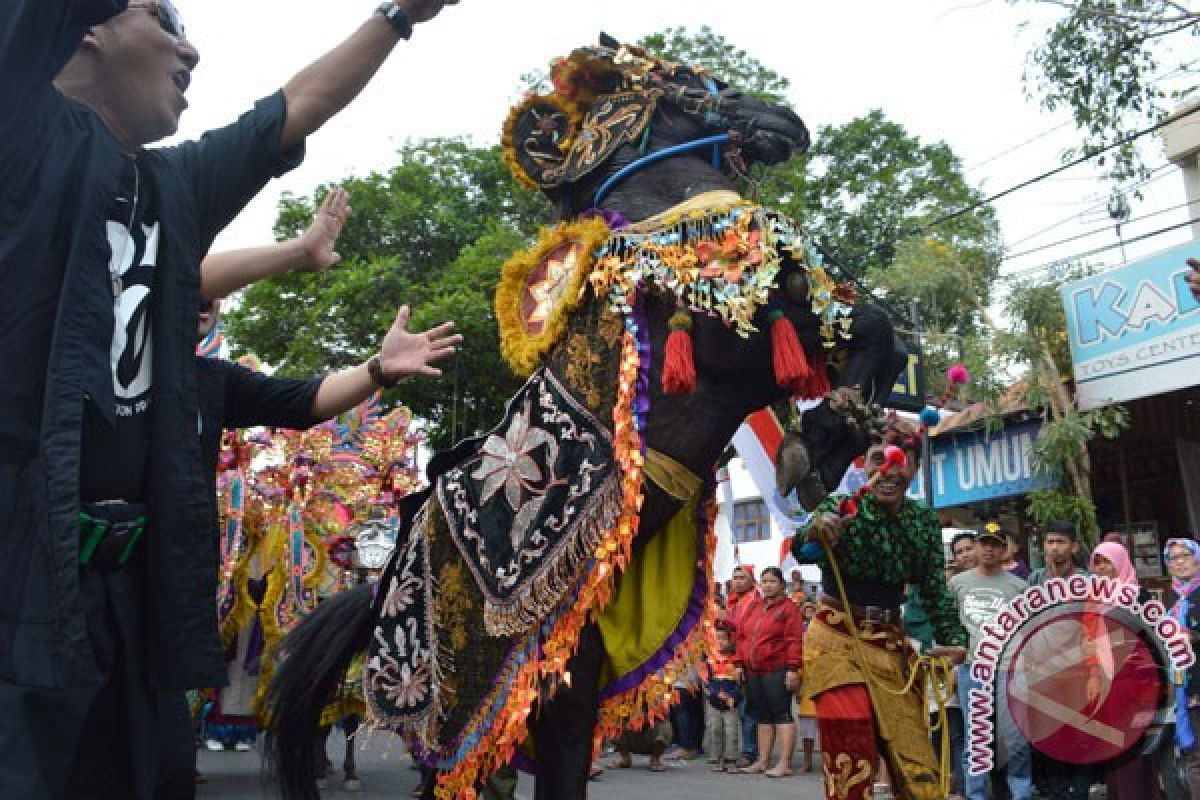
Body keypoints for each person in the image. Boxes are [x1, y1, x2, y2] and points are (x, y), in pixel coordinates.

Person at [0, 1, 461, 796]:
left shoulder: (176, 185)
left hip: (137, 586)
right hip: (22, 570)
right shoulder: (20, 137)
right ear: (88, 26)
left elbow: (295, 106)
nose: (191, 49)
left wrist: (399, 14)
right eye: (161, 17)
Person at [793, 416, 968, 800]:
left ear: (915, 468)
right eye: (878, 460)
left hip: (890, 646)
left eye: (900, 461)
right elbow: (804, 546)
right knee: (852, 751)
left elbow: (935, 589)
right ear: (865, 465)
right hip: (837, 640)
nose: (889, 472)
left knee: (918, 768)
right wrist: (819, 533)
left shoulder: (922, 520)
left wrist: (954, 639)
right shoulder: (841, 508)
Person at [949, 527, 1032, 800]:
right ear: (976, 546)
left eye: (995, 545)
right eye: (983, 543)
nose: (989, 550)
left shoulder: (1019, 587)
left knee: (1017, 740)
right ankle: (976, 795)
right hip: (972, 669)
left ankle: (1020, 794)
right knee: (977, 741)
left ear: (1004, 549)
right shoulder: (958, 583)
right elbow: (947, 624)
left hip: (1011, 670)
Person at [1086, 542, 1163, 800]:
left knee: (1135, 743)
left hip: (1136, 679)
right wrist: (1095, 676)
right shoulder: (1093, 598)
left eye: (1107, 562)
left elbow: (1154, 639)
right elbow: (1088, 641)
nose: (1102, 568)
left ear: (1120, 562)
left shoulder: (1138, 596)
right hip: (1108, 681)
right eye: (1098, 563)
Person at [1026, 520, 1093, 800]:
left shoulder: (1087, 581)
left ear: (1073, 547)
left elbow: (1097, 626)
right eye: (1050, 542)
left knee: (1080, 738)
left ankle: (1079, 793)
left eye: (1061, 542)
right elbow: (1025, 623)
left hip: (1077, 672)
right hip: (1042, 673)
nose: (1054, 548)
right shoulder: (1035, 581)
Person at [732, 566, 804, 777]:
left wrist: (793, 668)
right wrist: (738, 663)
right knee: (762, 715)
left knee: (781, 714)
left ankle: (784, 763)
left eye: (772, 581)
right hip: (754, 669)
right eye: (764, 582)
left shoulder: (789, 609)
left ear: (782, 584)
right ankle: (762, 761)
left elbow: (794, 640)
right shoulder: (755, 606)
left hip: (778, 668)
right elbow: (742, 636)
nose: (768, 585)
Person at [1162, 538, 1200, 800]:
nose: (1179, 561)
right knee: (1193, 753)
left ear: (1197, 559)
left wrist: (1192, 635)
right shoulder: (1170, 598)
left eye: (1185, 555)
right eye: (1173, 558)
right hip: (1184, 686)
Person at [727, 564, 761, 767]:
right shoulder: (735, 601)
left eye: (742, 577)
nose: (737, 581)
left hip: (747, 661)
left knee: (747, 710)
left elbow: (745, 631)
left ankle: (750, 752)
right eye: (735, 577)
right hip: (730, 662)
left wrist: (726, 623)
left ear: (751, 581)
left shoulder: (754, 602)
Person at [705, 625, 743, 772]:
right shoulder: (709, 659)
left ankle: (731, 759)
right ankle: (717, 758)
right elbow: (707, 680)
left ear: (730, 640)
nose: (720, 642)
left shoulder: (735, 659)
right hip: (715, 701)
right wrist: (715, 693)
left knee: (731, 730)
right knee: (715, 729)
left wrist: (733, 696)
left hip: (730, 702)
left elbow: (739, 683)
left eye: (723, 639)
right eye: (716, 639)